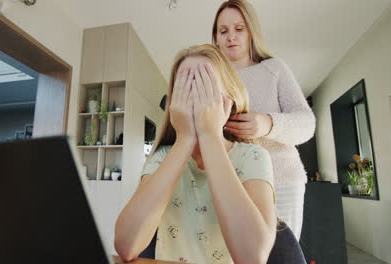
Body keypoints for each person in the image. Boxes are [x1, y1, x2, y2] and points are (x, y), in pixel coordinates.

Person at [115, 44, 277, 264]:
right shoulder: (163, 156)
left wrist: (210, 135)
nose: (195, 95)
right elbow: (126, 246)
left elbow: (253, 257)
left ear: (229, 100)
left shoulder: (252, 157)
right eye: (185, 87)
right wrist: (184, 139)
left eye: (205, 85)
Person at [212, 0, 316, 240]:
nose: (231, 37)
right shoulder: (211, 78)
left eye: (239, 28)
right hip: (230, 184)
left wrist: (268, 123)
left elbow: (306, 123)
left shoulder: (274, 69)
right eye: (223, 31)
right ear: (216, 37)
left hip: (281, 182)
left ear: (251, 31)